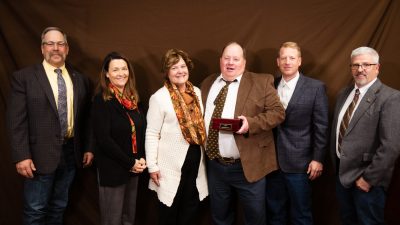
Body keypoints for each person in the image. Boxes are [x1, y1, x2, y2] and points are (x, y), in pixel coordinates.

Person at [6, 26, 94, 225]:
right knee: (35, 210)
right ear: (42, 48)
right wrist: (21, 155)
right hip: (38, 156)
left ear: (67, 48)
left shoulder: (80, 80)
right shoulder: (25, 78)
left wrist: (88, 147)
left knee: (59, 206)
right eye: (50, 43)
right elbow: (16, 121)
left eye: (60, 44)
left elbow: (86, 118)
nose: (56, 48)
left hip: (71, 153)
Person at [201, 42, 285, 225]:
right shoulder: (208, 83)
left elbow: (278, 113)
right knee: (220, 217)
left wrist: (250, 124)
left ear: (244, 63)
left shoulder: (261, 82)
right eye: (227, 58)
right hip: (215, 165)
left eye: (236, 59)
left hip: (248, 166)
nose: (230, 62)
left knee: (254, 218)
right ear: (220, 60)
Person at [331, 46, 400, 225]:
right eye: (356, 65)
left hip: (367, 180)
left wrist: (368, 179)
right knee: (347, 220)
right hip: (341, 176)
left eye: (366, 65)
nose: (360, 69)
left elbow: (391, 146)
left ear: (377, 67)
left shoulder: (390, 97)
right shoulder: (343, 94)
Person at [265, 42, 329, 225]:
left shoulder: (315, 87)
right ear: (278, 61)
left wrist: (318, 158)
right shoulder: (270, 85)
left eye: (292, 58)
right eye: (283, 58)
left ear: (299, 61)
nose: (287, 61)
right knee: (275, 213)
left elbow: (321, 126)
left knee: (301, 214)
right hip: (272, 163)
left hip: (301, 164)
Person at [146, 49, 208, 225]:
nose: (180, 71)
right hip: (169, 165)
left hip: (195, 160)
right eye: (174, 67)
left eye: (183, 66)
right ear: (167, 71)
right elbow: (151, 133)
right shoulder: (159, 98)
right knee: (169, 210)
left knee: (191, 208)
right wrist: (152, 166)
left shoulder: (196, 92)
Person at [91, 52, 147, 225]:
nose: (121, 73)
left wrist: (141, 159)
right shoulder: (101, 101)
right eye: (115, 69)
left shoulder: (133, 100)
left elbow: (141, 132)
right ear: (107, 73)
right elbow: (104, 140)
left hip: (134, 168)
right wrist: (130, 162)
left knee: (128, 218)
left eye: (124, 68)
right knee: (112, 220)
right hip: (113, 169)